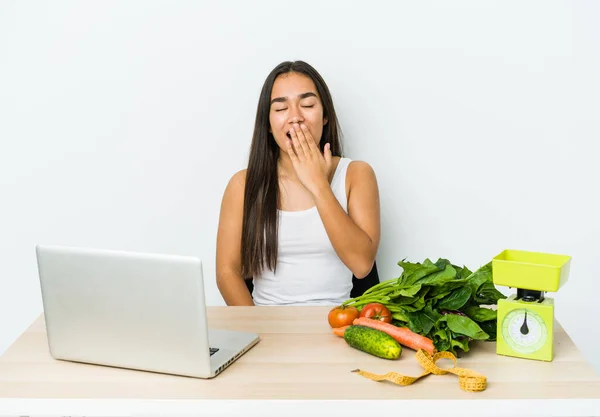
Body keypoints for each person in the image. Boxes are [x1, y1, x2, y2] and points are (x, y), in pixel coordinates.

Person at [216, 60, 380, 306]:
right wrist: (260, 333)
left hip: (338, 327)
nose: (295, 117)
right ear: (269, 126)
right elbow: (226, 273)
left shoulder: (357, 174)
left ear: (325, 116)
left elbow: (362, 265)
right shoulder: (242, 185)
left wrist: (318, 185)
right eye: (281, 109)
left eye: (307, 105)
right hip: (266, 329)